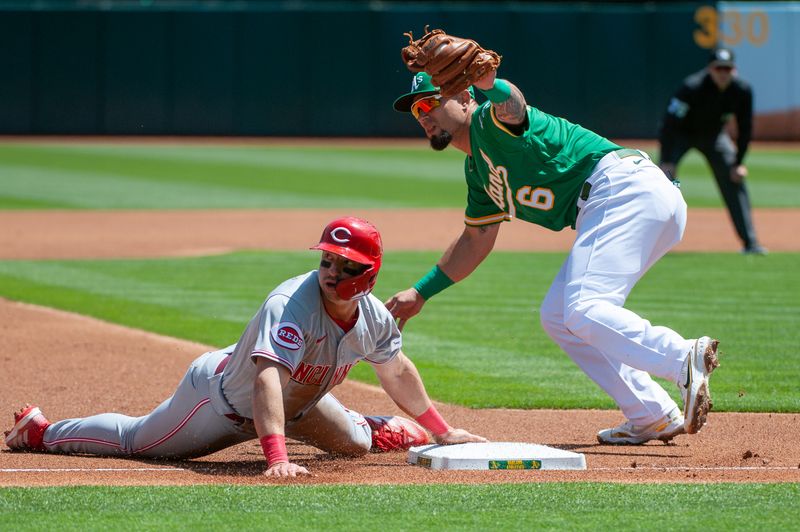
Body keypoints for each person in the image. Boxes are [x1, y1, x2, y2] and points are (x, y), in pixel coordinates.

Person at [387, 54, 721, 445]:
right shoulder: (477, 169)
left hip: (622, 189)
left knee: (583, 307)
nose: (422, 115)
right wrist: (420, 292)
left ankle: (682, 357)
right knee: (560, 316)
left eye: (429, 103)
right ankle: (651, 414)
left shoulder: (488, 122)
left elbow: (514, 107)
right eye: (416, 110)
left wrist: (489, 84)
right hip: (626, 200)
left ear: (463, 97)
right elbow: (476, 240)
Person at [4, 216, 486, 477]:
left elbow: (395, 369)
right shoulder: (291, 305)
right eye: (327, 261)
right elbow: (266, 380)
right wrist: (276, 457)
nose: (332, 272)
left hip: (298, 403)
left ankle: (379, 427)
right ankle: (41, 431)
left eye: (346, 265)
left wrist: (442, 432)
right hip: (220, 401)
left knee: (356, 445)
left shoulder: (374, 316)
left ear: (370, 274)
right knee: (141, 444)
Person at [659, 47, 766, 254]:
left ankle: (750, 243)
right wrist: (666, 160)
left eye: (728, 68)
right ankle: (656, 243)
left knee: (734, 178)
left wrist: (739, 163)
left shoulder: (742, 90)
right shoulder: (692, 87)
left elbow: (745, 128)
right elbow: (669, 123)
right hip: (682, 135)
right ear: (710, 69)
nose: (723, 73)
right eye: (719, 68)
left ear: (734, 70)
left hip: (714, 136)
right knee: (665, 181)